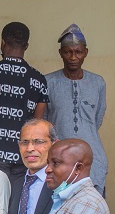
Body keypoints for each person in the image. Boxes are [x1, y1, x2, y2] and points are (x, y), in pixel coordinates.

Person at [0, 21, 50, 178]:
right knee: (18, 201)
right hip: (24, 155)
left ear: (2, 42)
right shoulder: (39, 79)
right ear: (26, 46)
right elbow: (37, 124)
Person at [43, 24, 107, 193]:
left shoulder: (97, 82)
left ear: (85, 52)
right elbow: (44, 122)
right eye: (68, 52)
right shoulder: (48, 82)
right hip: (58, 159)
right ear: (60, 53)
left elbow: (97, 120)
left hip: (92, 159)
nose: (73, 57)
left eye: (78, 52)